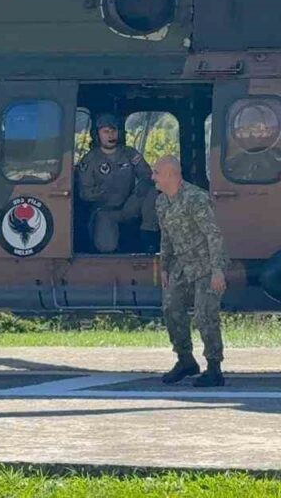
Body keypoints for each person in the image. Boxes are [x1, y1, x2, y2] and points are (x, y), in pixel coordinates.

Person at [152, 156, 229, 387]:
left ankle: (214, 368)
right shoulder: (161, 202)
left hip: (206, 264)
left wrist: (217, 271)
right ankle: (185, 360)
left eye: (156, 172)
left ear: (170, 175)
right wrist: (164, 267)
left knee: (205, 315)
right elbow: (166, 237)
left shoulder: (196, 198)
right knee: (171, 309)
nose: (152, 177)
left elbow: (213, 235)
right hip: (181, 264)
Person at [76, 113, 158, 253]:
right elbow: (85, 193)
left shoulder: (130, 153)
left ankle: (149, 236)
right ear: (97, 134)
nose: (110, 135)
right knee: (107, 247)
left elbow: (148, 176)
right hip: (105, 211)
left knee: (153, 191)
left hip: (129, 205)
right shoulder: (90, 160)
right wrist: (102, 191)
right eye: (106, 132)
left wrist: (141, 187)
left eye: (113, 131)